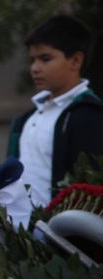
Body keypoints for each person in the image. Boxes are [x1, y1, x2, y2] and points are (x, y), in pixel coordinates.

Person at [8, 15, 103, 208]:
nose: (35, 68)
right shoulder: (27, 118)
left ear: (75, 61)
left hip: (61, 233)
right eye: (32, 60)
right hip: (19, 231)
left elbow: (90, 189)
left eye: (45, 59)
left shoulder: (89, 115)